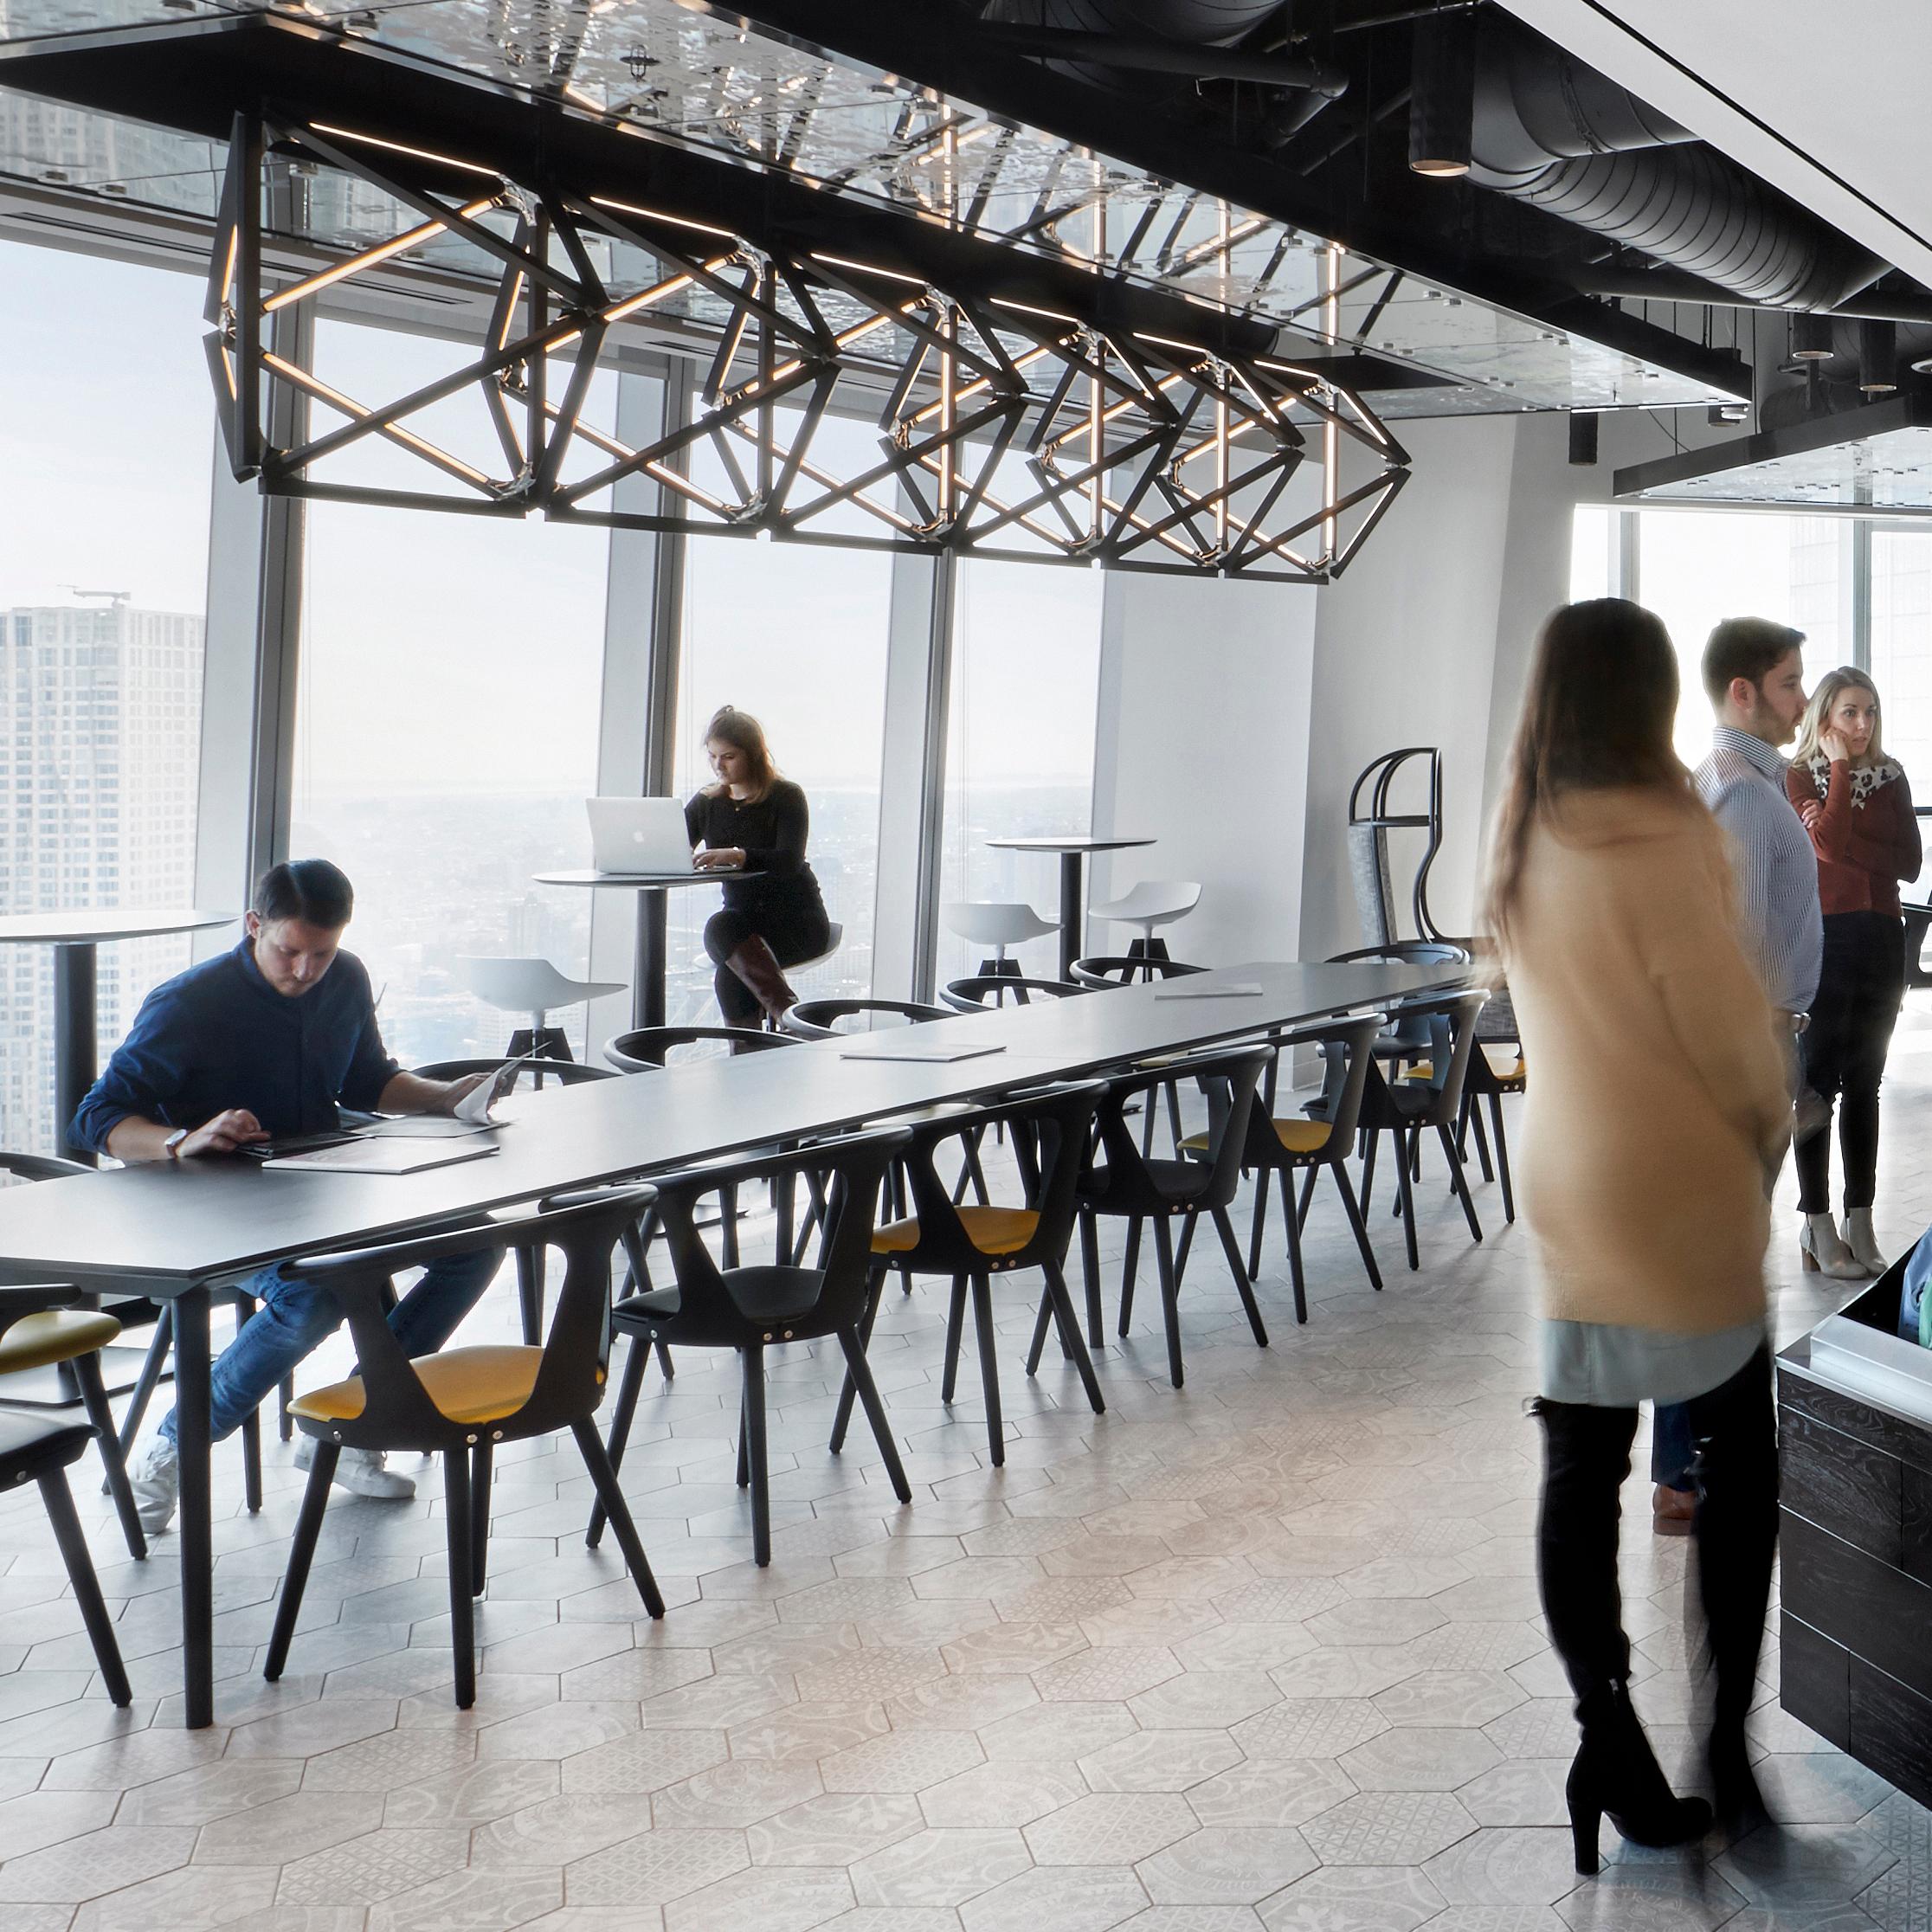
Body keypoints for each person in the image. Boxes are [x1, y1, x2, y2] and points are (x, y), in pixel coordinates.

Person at [1486, 598, 1787, 1866]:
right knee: (1741, 1471)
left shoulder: (1520, 840)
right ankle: (1721, 1737)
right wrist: (1768, 1137)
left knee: (1580, 1473)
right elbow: (1734, 1049)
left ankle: (1605, 1736)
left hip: (1568, 1196)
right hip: (1679, 1197)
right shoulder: (1668, 839)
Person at [71, 860, 502, 1535]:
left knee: (475, 1244)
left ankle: (358, 1423)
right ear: (253, 926)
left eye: (320, 954)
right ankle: (168, 1451)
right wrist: (185, 1137)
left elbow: (366, 1081)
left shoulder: (347, 978)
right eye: (289, 951)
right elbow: (97, 1118)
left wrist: (446, 1098)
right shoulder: (189, 1003)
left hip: (324, 1185)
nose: (305, 971)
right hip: (208, 1201)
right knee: (316, 1294)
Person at [1652, 617, 1822, 1530]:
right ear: (1742, 692)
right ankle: (1691, 1467)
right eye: (1791, 683)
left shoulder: (1749, 782)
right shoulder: (1740, 794)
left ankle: (1696, 1460)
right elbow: (1733, 949)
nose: (1804, 698)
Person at [1787, 667, 1921, 1277]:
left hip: (1881, 941)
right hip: (1824, 941)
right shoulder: (1797, 776)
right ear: (1824, 718)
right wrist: (1840, 771)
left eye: (1869, 710)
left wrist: (1853, 852)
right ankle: (1817, 1227)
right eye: (1849, 712)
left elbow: (1912, 864)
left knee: (1866, 1082)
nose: (1862, 723)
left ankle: (1859, 1224)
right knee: (1816, 1088)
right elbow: (1828, 847)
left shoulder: (1892, 778)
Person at [684, 705, 831, 1028]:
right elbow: (672, 846)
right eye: (712, 756)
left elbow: (790, 860)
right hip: (743, 926)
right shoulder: (708, 803)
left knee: (726, 950)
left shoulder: (786, 796)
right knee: (722, 933)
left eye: (728, 757)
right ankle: (791, 1019)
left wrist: (739, 855)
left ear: (753, 755)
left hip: (795, 922)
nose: (718, 766)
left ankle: (759, 1044)